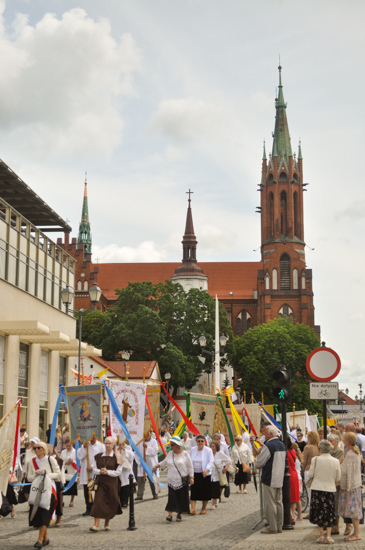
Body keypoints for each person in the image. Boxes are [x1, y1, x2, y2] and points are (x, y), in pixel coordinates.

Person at [252, 425, 286, 535]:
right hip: (279, 476)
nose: (264, 435)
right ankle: (279, 525)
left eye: (265, 433)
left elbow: (260, 462)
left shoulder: (269, 446)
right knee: (279, 502)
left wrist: (256, 464)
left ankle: (272, 526)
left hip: (270, 477)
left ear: (271, 434)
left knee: (270, 503)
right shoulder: (282, 445)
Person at [27, 441, 61, 549]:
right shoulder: (32, 461)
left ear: (44, 449)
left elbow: (58, 473)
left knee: (45, 513)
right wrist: (36, 474)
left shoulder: (51, 459)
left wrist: (47, 474)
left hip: (49, 489)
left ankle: (39, 540)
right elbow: (29, 477)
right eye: (35, 448)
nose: (36, 450)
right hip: (37, 489)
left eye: (39, 448)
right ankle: (45, 538)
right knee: (38, 513)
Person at [307, 439, 341, 544]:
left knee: (318, 512)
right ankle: (329, 536)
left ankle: (322, 535)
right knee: (329, 512)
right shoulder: (335, 461)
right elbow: (338, 477)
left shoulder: (315, 460)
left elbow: (310, 474)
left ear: (320, 449)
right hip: (330, 489)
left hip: (317, 488)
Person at [153, 435, 194, 522]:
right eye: (171, 445)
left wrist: (191, 477)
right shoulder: (170, 454)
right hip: (171, 479)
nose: (171, 446)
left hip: (182, 479)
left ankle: (179, 514)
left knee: (181, 497)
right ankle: (170, 514)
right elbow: (164, 462)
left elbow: (190, 467)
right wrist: (157, 465)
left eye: (172, 445)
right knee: (171, 497)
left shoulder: (185, 454)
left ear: (177, 445)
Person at [89, 436, 123, 532]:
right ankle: (96, 525)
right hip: (101, 482)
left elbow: (119, 472)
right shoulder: (99, 456)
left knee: (110, 502)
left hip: (112, 483)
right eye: (106, 443)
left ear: (113, 446)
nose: (107, 445)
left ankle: (107, 523)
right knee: (98, 501)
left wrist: (108, 472)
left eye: (109, 443)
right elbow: (94, 468)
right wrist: (100, 471)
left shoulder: (117, 457)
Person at [338, 432, 363, 542]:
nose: (343, 440)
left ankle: (356, 534)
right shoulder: (355, 452)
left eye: (345, 439)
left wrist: (340, 464)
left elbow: (346, 472)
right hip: (355, 485)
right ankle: (355, 533)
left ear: (347, 441)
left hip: (351, 487)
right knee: (355, 511)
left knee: (353, 512)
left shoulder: (350, 454)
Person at [77, 435, 105, 516]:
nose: (92, 440)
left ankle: (97, 508)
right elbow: (80, 456)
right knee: (87, 491)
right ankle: (89, 508)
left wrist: (92, 466)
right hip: (86, 472)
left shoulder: (101, 446)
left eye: (94, 438)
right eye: (91, 438)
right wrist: (84, 448)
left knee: (97, 490)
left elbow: (101, 458)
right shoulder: (85, 445)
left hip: (96, 471)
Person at [189, 434, 214, 515]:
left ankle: (203, 508)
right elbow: (189, 461)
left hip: (204, 473)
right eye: (198, 441)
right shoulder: (193, 449)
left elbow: (211, 461)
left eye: (202, 441)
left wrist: (206, 469)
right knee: (194, 491)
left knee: (205, 492)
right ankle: (192, 508)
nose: (200, 443)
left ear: (204, 442)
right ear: (196, 442)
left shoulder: (208, 450)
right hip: (195, 473)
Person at [328, 433, 344, 536]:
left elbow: (337, 463)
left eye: (331, 441)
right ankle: (331, 525)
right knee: (330, 504)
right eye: (328, 441)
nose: (330, 443)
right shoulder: (327, 451)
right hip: (328, 481)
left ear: (337, 442)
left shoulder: (339, 451)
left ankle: (336, 526)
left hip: (336, 482)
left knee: (336, 504)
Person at [301, 430, 320, 517]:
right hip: (317, 470)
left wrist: (302, 470)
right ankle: (316, 510)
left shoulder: (308, 447)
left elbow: (304, 461)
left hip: (308, 470)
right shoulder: (318, 446)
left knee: (310, 492)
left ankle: (312, 512)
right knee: (316, 492)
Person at [135, 432, 159, 500]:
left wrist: (147, 447)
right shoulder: (140, 442)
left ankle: (155, 493)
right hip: (142, 463)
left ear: (150, 434)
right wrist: (140, 461)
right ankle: (140, 495)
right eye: (144, 435)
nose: (146, 437)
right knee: (140, 479)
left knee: (152, 479)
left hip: (151, 464)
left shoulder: (154, 441)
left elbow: (155, 451)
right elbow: (136, 452)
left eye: (147, 435)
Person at [210, 440, 231, 509]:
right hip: (210, 473)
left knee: (216, 487)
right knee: (211, 488)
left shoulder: (220, 453)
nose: (212, 448)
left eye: (213, 446)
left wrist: (226, 467)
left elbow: (228, 460)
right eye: (211, 446)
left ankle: (214, 502)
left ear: (216, 447)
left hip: (218, 473)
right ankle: (215, 499)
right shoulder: (208, 453)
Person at [287, 437, 300, 524]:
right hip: (295, 474)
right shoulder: (293, 451)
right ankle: (293, 516)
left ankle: (291, 515)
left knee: (287, 496)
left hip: (288, 474)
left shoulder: (285, 452)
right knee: (294, 498)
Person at [60, 440, 77, 507]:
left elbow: (78, 462)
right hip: (65, 470)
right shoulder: (63, 452)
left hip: (72, 470)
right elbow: (61, 461)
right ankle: (62, 500)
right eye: (67, 446)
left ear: (72, 445)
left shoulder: (75, 452)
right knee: (63, 486)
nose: (68, 447)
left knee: (73, 487)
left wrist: (73, 462)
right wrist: (65, 463)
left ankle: (71, 501)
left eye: (69, 445)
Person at [119, 443, 135, 508]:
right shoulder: (115, 447)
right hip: (118, 471)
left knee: (126, 488)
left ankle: (124, 502)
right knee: (119, 488)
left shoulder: (128, 448)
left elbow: (132, 458)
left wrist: (124, 449)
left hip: (126, 471)